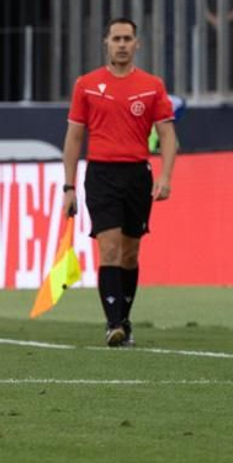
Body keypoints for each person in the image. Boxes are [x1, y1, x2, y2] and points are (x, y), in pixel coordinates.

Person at [62, 17, 179, 347]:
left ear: (137, 44)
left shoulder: (152, 85)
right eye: (117, 38)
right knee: (109, 247)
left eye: (128, 38)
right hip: (101, 174)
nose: (123, 44)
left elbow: (168, 135)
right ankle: (113, 323)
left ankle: (124, 320)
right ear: (106, 43)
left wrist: (166, 176)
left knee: (131, 253)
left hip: (137, 175)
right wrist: (68, 187)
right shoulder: (86, 84)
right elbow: (73, 138)